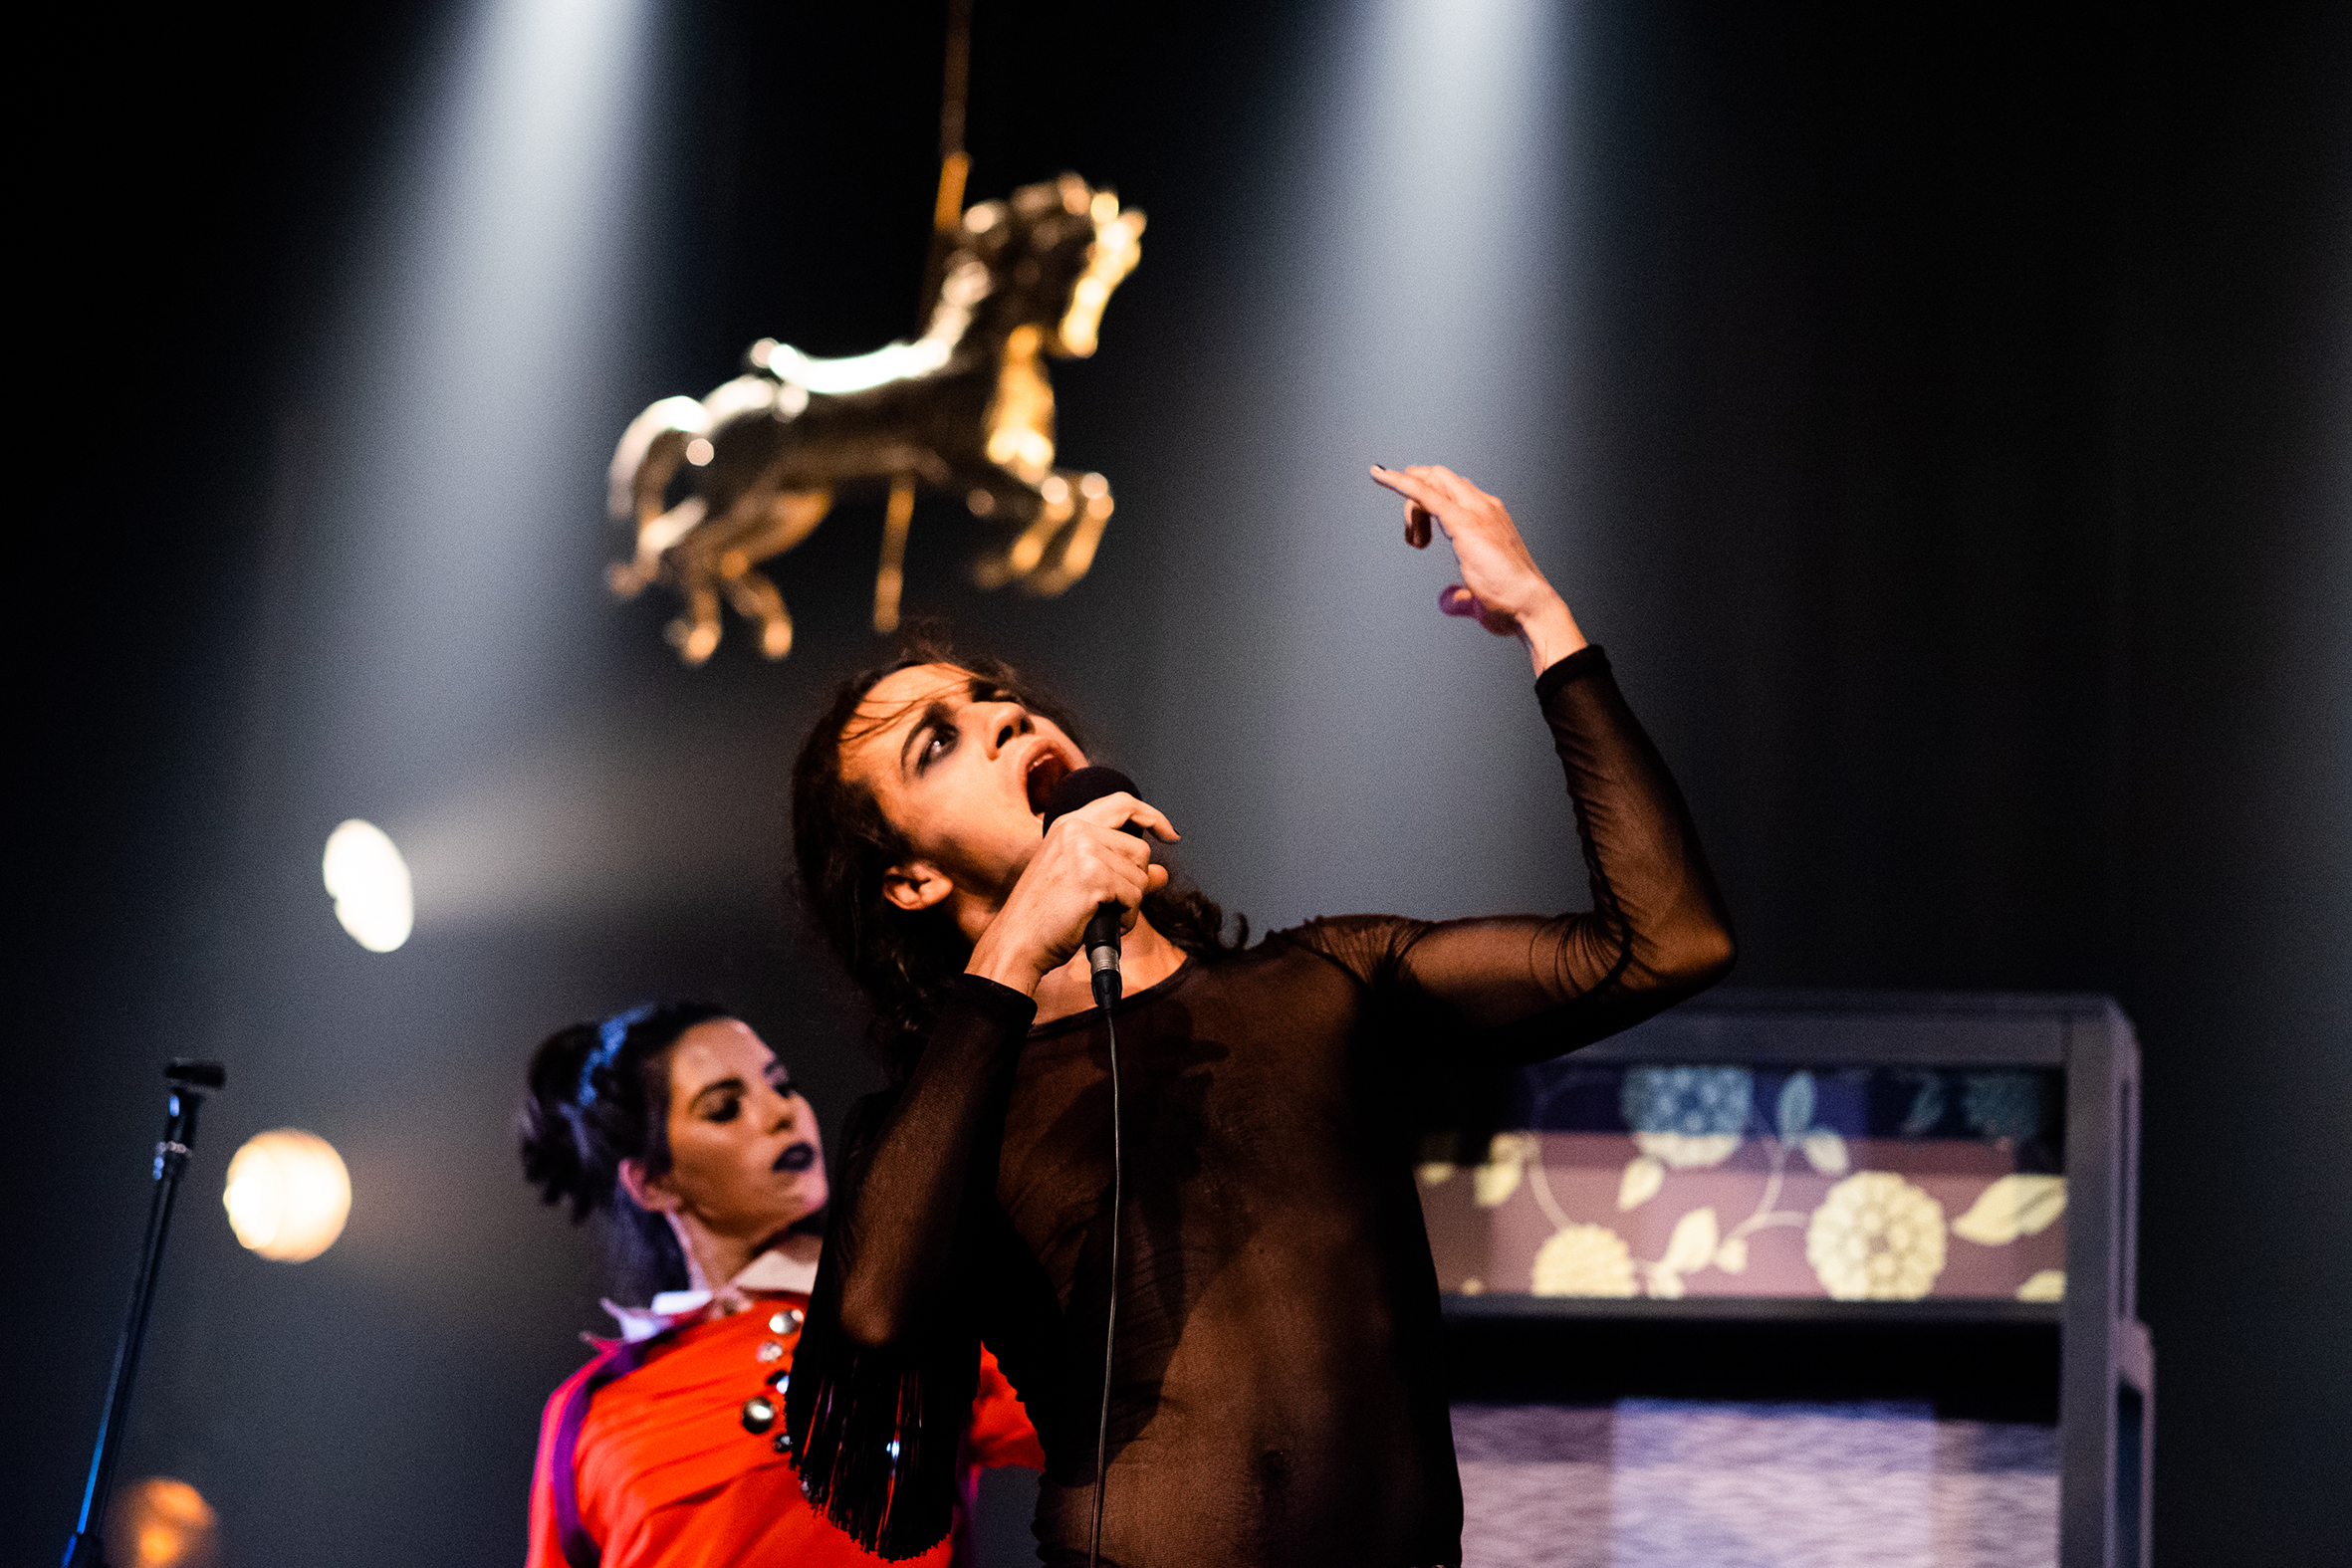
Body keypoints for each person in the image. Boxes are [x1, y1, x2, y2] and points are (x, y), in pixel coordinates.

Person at [783, 464, 1737, 1567]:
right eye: (938, 742)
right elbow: (876, 1316)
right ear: (909, 881)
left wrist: (1542, 618)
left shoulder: (1327, 976)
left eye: (996, 696)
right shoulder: (941, 1117)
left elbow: (1667, 941)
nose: (1004, 715)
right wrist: (1017, 943)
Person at [516, 1001, 1042, 1568]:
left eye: (781, 1085)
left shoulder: (912, 1315)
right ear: (653, 1183)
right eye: (724, 1109)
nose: (780, 1113)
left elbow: (1094, 1415)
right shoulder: (589, 1413)